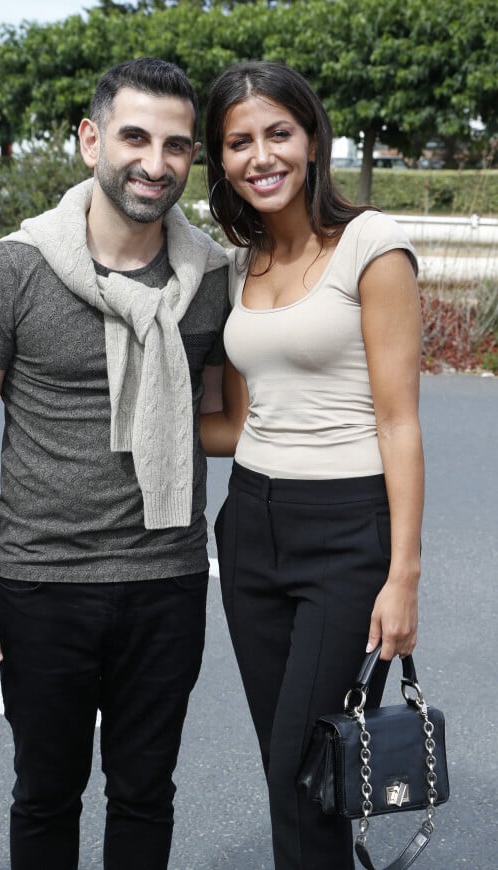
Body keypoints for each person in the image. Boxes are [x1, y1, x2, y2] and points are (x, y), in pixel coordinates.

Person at [0, 57, 229, 870]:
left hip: (166, 579)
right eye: (135, 137)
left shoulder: (207, 279)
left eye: (176, 146)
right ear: (91, 140)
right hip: (44, 583)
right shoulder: (14, 268)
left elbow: (224, 416)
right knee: (45, 794)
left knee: (145, 795)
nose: (155, 162)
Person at [201, 61, 424, 870]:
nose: (261, 156)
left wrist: (403, 575)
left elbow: (399, 423)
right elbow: (235, 424)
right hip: (251, 523)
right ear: (220, 160)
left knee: (302, 762)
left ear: (312, 137)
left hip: (347, 531)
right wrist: (125, 425)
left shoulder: (372, 245)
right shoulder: (240, 264)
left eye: (277, 133)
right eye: (238, 142)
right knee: (292, 763)